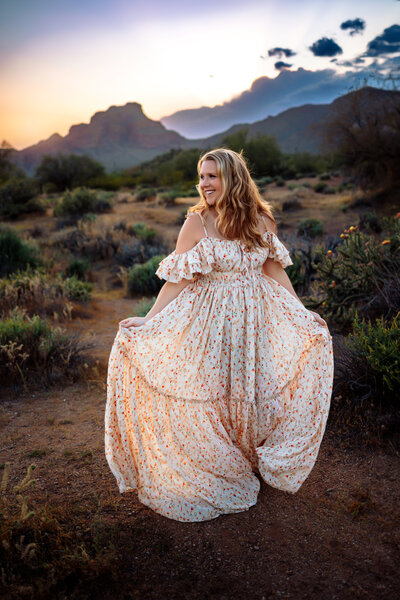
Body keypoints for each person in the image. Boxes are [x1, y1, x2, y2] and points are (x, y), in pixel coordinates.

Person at [105, 148, 334, 523]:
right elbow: (179, 278)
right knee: (211, 390)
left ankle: (245, 454)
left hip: (253, 319)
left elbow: (275, 271)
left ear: (232, 177)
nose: (204, 184)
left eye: (211, 176)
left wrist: (302, 311)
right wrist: (149, 320)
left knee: (247, 387)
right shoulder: (196, 223)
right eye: (201, 176)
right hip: (208, 321)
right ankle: (218, 462)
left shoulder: (261, 220)